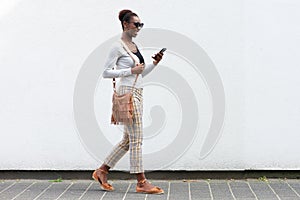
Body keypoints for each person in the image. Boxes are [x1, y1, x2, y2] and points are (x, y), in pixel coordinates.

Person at [92, 9, 164, 194]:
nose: (139, 27)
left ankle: (102, 171)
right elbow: (106, 72)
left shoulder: (134, 46)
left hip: (138, 91)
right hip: (127, 93)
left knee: (127, 139)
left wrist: (154, 64)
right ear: (125, 24)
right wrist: (129, 72)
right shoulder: (117, 46)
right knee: (137, 139)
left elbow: (140, 73)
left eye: (141, 24)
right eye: (136, 24)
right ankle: (141, 182)